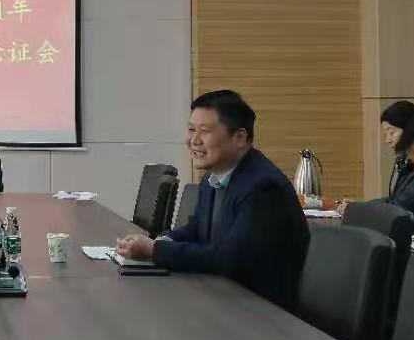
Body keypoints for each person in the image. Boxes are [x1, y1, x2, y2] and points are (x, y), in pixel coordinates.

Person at [117, 90, 309, 308]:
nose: (193, 140)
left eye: (204, 131)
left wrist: (154, 251)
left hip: (261, 312)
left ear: (239, 138)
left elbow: (230, 259)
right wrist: (160, 242)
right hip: (223, 297)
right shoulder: (212, 178)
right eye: (191, 130)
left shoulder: (263, 187)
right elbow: (196, 230)